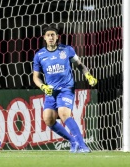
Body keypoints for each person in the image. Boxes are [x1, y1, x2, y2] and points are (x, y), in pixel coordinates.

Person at [32, 24, 97, 153]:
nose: (51, 37)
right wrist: (43, 87)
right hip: (51, 91)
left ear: (57, 37)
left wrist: (88, 75)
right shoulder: (39, 55)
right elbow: (36, 77)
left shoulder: (67, 50)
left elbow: (79, 65)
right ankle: (73, 142)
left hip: (66, 88)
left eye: (53, 35)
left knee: (63, 113)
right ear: (44, 37)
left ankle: (82, 145)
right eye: (48, 35)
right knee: (48, 119)